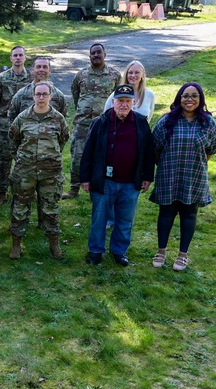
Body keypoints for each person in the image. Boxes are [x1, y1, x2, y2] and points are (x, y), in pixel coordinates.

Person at [81, 85, 155, 266]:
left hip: (130, 182)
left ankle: (119, 251)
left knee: (125, 219)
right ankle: (95, 251)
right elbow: (88, 151)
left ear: (134, 103)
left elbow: (148, 152)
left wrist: (147, 177)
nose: (123, 105)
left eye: (127, 101)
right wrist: (85, 178)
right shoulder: (101, 122)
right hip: (104, 181)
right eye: (120, 100)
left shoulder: (140, 123)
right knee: (99, 218)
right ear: (113, 102)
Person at [150, 82, 216, 271]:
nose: (190, 99)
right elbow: (155, 148)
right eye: (185, 96)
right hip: (169, 174)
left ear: (200, 99)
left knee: (189, 215)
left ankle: (182, 255)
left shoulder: (208, 123)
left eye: (194, 96)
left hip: (194, 175)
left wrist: (195, 164)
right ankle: (161, 251)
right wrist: (165, 166)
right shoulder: (166, 121)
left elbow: (211, 151)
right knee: (166, 214)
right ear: (179, 98)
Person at [8, 82, 70, 260]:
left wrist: (48, 159)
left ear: (51, 96)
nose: (41, 97)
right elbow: (14, 142)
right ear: (33, 96)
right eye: (38, 94)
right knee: (20, 208)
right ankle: (16, 245)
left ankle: (54, 244)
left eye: (45, 94)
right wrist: (23, 160)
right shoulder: (22, 118)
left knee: (50, 209)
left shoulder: (58, 119)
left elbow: (62, 141)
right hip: (25, 172)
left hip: (50, 173)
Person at [66, 43, 121, 200]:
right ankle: (74, 188)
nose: (96, 55)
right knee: (77, 156)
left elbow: (117, 98)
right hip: (82, 123)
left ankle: (98, 189)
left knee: (103, 157)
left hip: (105, 124)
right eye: (93, 53)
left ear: (105, 54)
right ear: (89, 56)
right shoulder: (81, 75)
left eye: (99, 52)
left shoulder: (114, 75)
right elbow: (75, 94)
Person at [0, 45, 33, 207]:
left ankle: (24, 191)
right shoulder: (1, 78)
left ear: (25, 58)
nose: (18, 58)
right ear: (11, 58)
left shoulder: (32, 79)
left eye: (21, 55)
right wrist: (3, 115)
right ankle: (2, 192)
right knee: (4, 159)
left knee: (26, 158)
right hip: (6, 126)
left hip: (27, 126)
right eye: (15, 55)